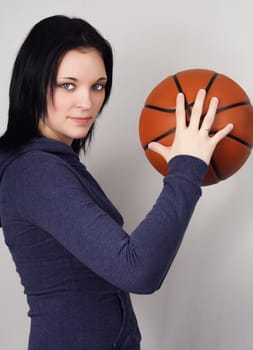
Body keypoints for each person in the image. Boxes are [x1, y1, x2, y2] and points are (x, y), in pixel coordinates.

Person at [0, 15, 233, 350]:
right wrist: (186, 169)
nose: (87, 102)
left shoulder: (51, 164)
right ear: (33, 83)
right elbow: (137, 270)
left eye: (98, 85)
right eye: (68, 84)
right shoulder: (36, 171)